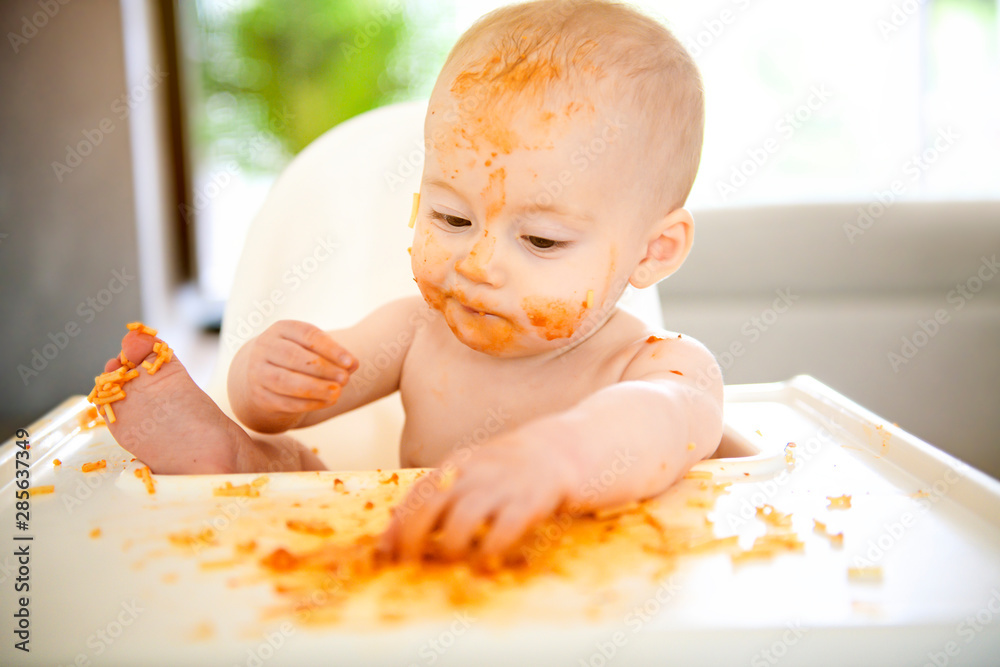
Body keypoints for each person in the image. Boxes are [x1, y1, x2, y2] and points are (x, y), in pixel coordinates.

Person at [101, 0, 723, 562]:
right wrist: (264, 380)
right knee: (295, 471)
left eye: (540, 240)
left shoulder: (659, 369)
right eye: (451, 217)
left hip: (595, 579)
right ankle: (229, 459)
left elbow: (659, 419)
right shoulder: (416, 333)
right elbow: (280, 410)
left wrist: (556, 461)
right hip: (426, 562)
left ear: (656, 250)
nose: (478, 263)